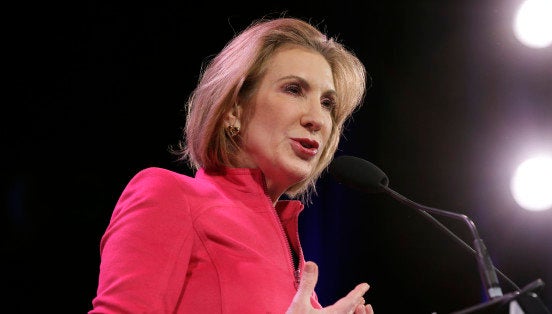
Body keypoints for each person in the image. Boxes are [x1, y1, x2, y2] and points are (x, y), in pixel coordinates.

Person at [89, 16, 374, 313]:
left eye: (328, 103)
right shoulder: (170, 196)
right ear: (232, 110)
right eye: (293, 90)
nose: (316, 119)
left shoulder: (297, 268)